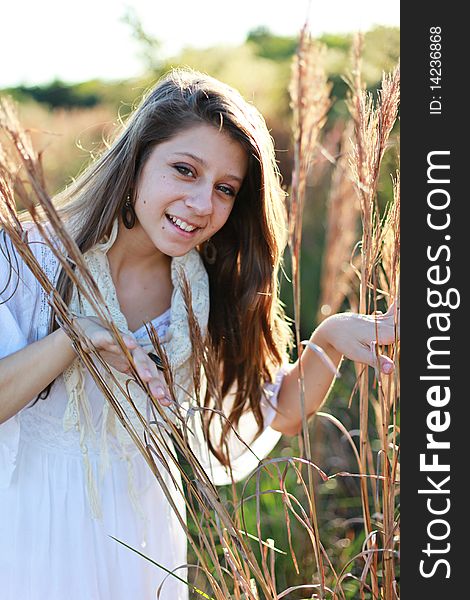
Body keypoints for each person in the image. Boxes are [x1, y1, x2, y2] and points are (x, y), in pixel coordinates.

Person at [0, 69, 398, 599]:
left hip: (139, 533)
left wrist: (326, 339)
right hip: (28, 520)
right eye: (184, 170)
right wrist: (76, 337)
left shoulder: (202, 292)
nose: (203, 204)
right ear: (137, 159)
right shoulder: (25, 259)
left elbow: (275, 413)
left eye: (225, 189)